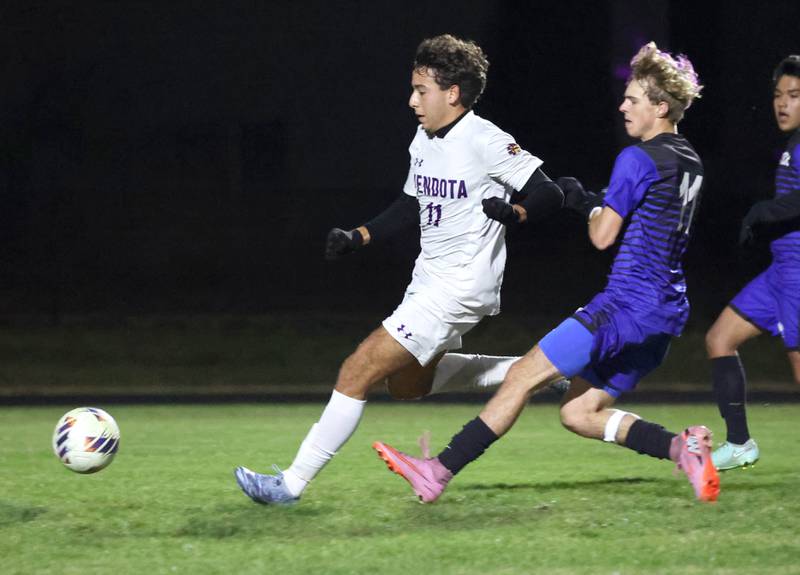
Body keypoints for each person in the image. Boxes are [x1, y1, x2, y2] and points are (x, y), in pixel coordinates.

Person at [374, 42, 720, 503]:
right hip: (667, 312)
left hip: (625, 306)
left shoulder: (637, 158)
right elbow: (651, 218)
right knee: (579, 411)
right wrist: (599, 202)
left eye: (633, 98)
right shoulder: (689, 158)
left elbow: (603, 235)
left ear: (660, 106)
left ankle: (437, 470)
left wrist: (584, 203)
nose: (622, 105)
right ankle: (684, 447)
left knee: (520, 377)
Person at [234, 34, 564, 504]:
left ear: (453, 93)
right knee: (408, 385)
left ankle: (291, 483)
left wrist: (517, 213)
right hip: (428, 280)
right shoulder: (425, 137)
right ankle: (534, 369)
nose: (412, 100)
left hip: (461, 285)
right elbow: (411, 203)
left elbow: (550, 191)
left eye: (421, 89)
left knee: (358, 367)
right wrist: (358, 237)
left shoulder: (485, 139)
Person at [705, 55, 800, 471]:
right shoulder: (791, 145)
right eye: (779, 95)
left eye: (794, 96)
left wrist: (761, 213)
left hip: (798, 277)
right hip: (778, 274)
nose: (783, 104)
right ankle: (740, 443)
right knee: (719, 340)